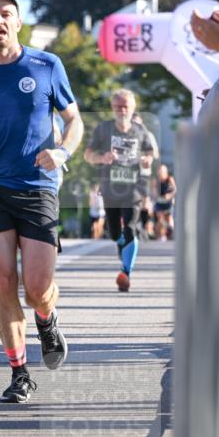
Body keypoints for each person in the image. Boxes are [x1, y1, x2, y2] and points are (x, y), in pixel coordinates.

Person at [0, 0, 83, 404]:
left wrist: (62, 149)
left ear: (18, 22)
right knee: (1, 281)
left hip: (37, 187)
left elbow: (74, 120)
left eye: (6, 14)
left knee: (37, 288)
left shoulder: (47, 64)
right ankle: (19, 371)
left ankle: (47, 319)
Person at [84, 89, 156, 292]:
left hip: (133, 188)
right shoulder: (103, 129)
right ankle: (120, 241)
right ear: (112, 108)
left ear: (132, 108)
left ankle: (126, 273)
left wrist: (147, 159)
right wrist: (102, 158)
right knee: (115, 232)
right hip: (110, 188)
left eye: (126, 106)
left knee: (131, 226)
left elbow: (151, 152)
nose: (122, 110)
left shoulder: (141, 131)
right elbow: (87, 155)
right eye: (118, 106)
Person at [153, 163, 176, 240]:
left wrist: (170, 196)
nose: (161, 173)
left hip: (168, 203)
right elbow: (153, 191)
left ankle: (171, 233)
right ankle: (160, 235)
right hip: (159, 203)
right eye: (160, 171)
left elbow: (175, 190)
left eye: (162, 171)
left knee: (169, 219)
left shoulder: (170, 179)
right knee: (160, 219)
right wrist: (156, 195)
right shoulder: (156, 180)